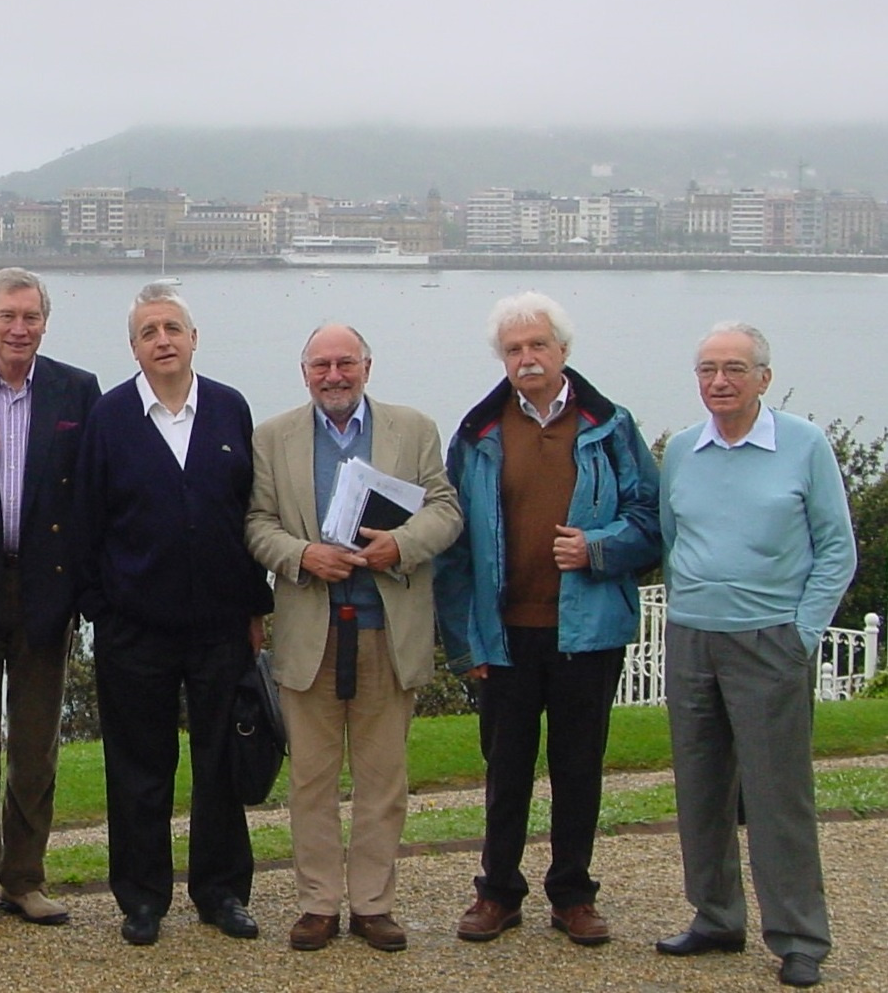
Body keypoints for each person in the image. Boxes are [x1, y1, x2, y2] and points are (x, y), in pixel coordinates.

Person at [435, 291, 660, 947]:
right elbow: (453, 550)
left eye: (537, 346)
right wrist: (464, 640)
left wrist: (596, 548)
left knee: (576, 766)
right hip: (504, 634)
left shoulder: (610, 426)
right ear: (501, 359)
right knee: (504, 770)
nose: (526, 358)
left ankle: (572, 893)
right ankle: (497, 891)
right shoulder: (476, 434)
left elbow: (649, 524)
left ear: (562, 350)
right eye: (513, 349)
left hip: (585, 633)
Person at [244, 323, 462, 953]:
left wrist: (401, 545)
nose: (333, 376)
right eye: (321, 366)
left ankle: (372, 903)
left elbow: (444, 510)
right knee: (310, 780)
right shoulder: (274, 437)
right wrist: (302, 554)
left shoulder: (412, 428)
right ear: (304, 371)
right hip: (311, 632)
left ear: (367, 365)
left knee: (381, 779)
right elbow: (256, 523)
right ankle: (316, 903)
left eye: (345, 363)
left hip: (385, 630)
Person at [656, 322, 855, 989]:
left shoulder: (801, 445)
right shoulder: (683, 450)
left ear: (762, 378)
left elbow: (835, 550)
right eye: (708, 369)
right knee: (700, 789)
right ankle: (714, 916)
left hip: (770, 641)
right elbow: (671, 537)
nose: (719, 381)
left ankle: (799, 937)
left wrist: (799, 633)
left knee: (778, 797)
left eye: (734, 369)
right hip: (690, 638)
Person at [73, 283, 273, 947]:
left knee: (219, 763)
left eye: (171, 328)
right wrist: (102, 609)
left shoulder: (227, 408)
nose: (161, 339)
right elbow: (88, 524)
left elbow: (247, 512)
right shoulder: (108, 417)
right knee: (138, 768)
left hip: (219, 623)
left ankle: (220, 892)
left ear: (192, 338)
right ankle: (141, 897)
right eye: (147, 331)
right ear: (133, 347)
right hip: (135, 629)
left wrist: (254, 606)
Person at [0, 267, 101, 931]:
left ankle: (25, 879)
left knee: (35, 744)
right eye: (7, 316)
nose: (18, 328)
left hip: (45, 588)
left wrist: (84, 592)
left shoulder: (76, 390)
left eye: (29, 317)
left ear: (43, 324)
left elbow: (91, 492)